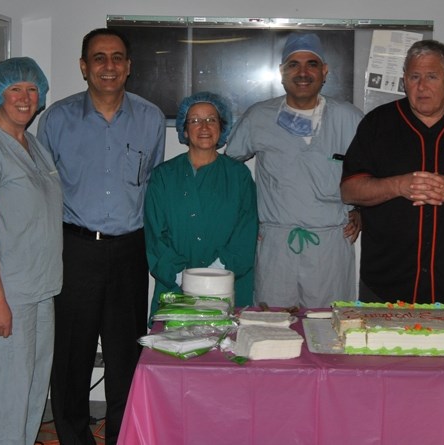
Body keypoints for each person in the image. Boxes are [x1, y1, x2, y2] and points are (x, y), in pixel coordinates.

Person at [37, 28, 165, 445]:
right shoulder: (56, 118)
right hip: (73, 248)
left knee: (124, 353)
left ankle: (120, 435)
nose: (108, 66)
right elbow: (43, 190)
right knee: (71, 354)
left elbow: (150, 181)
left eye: (117, 57)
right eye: (98, 58)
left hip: (129, 250)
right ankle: (74, 437)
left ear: (129, 66)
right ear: (83, 67)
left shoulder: (149, 118)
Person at [341, 39, 444, 305]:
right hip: (384, 281)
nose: (422, 86)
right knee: (379, 348)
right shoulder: (378, 123)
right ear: (404, 81)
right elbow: (350, 190)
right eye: (414, 77)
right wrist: (398, 185)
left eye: (432, 76)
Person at [0, 57, 62, 444]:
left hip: (41, 289)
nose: (25, 98)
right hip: (8, 294)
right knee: (7, 396)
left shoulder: (32, 145)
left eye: (32, 89)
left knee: (33, 393)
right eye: (15, 89)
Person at [225, 32, 362, 309]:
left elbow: (370, 173)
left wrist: (362, 210)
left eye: (311, 64)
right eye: (293, 65)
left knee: (330, 328)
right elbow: (228, 168)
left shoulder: (349, 118)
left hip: (331, 244)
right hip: (276, 243)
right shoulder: (258, 117)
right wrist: (244, 220)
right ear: (281, 73)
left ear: (324, 72)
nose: (302, 72)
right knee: (272, 329)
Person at [144, 92, 257, 312]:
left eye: (211, 119)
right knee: (176, 345)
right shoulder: (163, 177)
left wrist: (213, 276)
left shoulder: (238, 176)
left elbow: (246, 231)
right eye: (195, 120)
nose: (204, 127)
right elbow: (155, 236)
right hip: (176, 289)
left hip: (227, 286)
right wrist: (185, 279)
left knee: (224, 344)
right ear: (184, 130)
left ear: (221, 127)